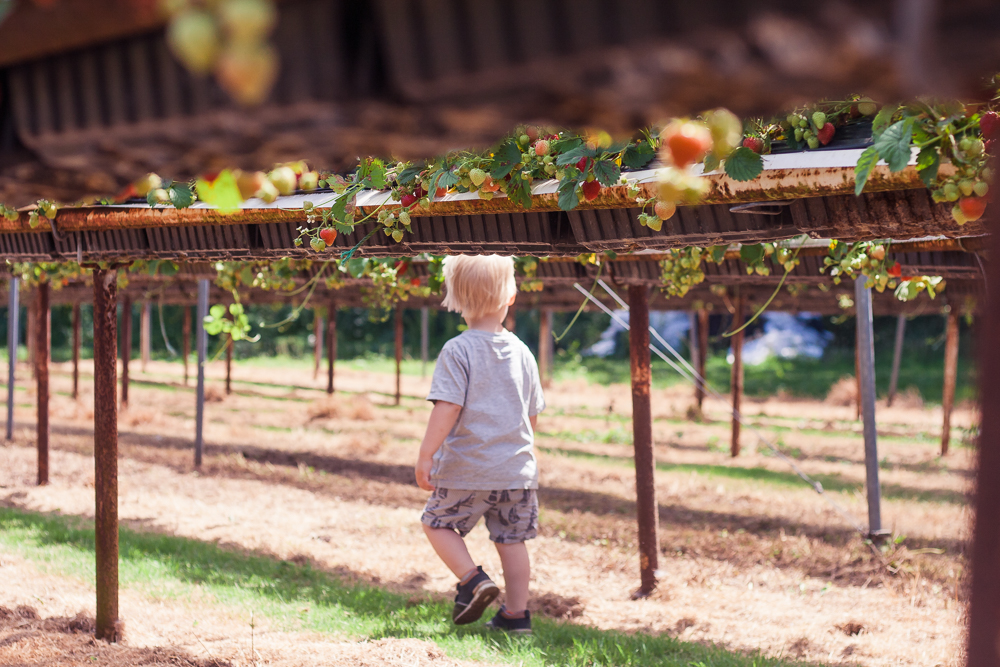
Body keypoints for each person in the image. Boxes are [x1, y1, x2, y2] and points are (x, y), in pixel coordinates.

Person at [415, 254, 545, 635]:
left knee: (436, 523)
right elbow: (531, 413)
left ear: (454, 298)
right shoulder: (523, 351)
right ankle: (516, 615)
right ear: (511, 296)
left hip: (469, 467)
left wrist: (427, 453)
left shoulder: (458, 350)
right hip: (517, 471)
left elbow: (448, 407)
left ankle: (472, 581)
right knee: (512, 540)